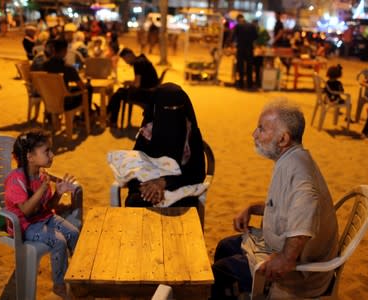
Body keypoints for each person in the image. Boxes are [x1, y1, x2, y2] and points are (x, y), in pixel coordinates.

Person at [211, 100, 338, 299]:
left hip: (301, 276)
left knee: (220, 271)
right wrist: (252, 207)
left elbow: (307, 206)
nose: (254, 134)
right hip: (277, 245)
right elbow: (287, 206)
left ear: (283, 139)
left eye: (261, 129)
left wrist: (286, 258)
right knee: (225, 246)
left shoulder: (300, 176)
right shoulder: (291, 159)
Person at [4, 129, 79, 298]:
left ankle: (77, 274)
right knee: (58, 241)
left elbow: (48, 206)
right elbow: (26, 210)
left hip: (43, 217)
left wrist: (58, 193)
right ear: (30, 157)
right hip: (24, 225)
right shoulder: (16, 180)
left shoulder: (41, 175)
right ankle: (59, 285)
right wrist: (43, 188)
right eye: (47, 151)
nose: (52, 154)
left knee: (74, 233)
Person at [125, 83, 205, 208]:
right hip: (147, 191)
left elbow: (197, 174)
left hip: (179, 192)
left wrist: (165, 182)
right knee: (136, 201)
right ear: (157, 108)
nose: (172, 112)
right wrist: (146, 187)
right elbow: (133, 168)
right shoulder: (148, 133)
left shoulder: (190, 135)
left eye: (176, 108)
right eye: (166, 108)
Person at [106, 47, 159, 127]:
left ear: (129, 55)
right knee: (120, 91)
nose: (126, 62)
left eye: (125, 59)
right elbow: (141, 80)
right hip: (150, 91)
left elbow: (137, 84)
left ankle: (109, 116)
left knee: (118, 94)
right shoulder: (142, 60)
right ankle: (109, 115)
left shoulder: (137, 63)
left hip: (146, 94)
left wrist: (129, 84)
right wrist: (130, 82)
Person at [42, 39, 94, 113]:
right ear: (64, 51)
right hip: (66, 103)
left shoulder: (45, 65)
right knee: (88, 88)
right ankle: (86, 115)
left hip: (49, 100)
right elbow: (82, 87)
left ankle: (50, 116)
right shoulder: (68, 69)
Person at [232, 14, 257, 90]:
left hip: (241, 49)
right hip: (249, 49)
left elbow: (234, 37)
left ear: (238, 19)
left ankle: (241, 84)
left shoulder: (238, 26)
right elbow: (256, 36)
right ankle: (249, 84)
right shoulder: (252, 26)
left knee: (241, 66)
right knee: (249, 66)